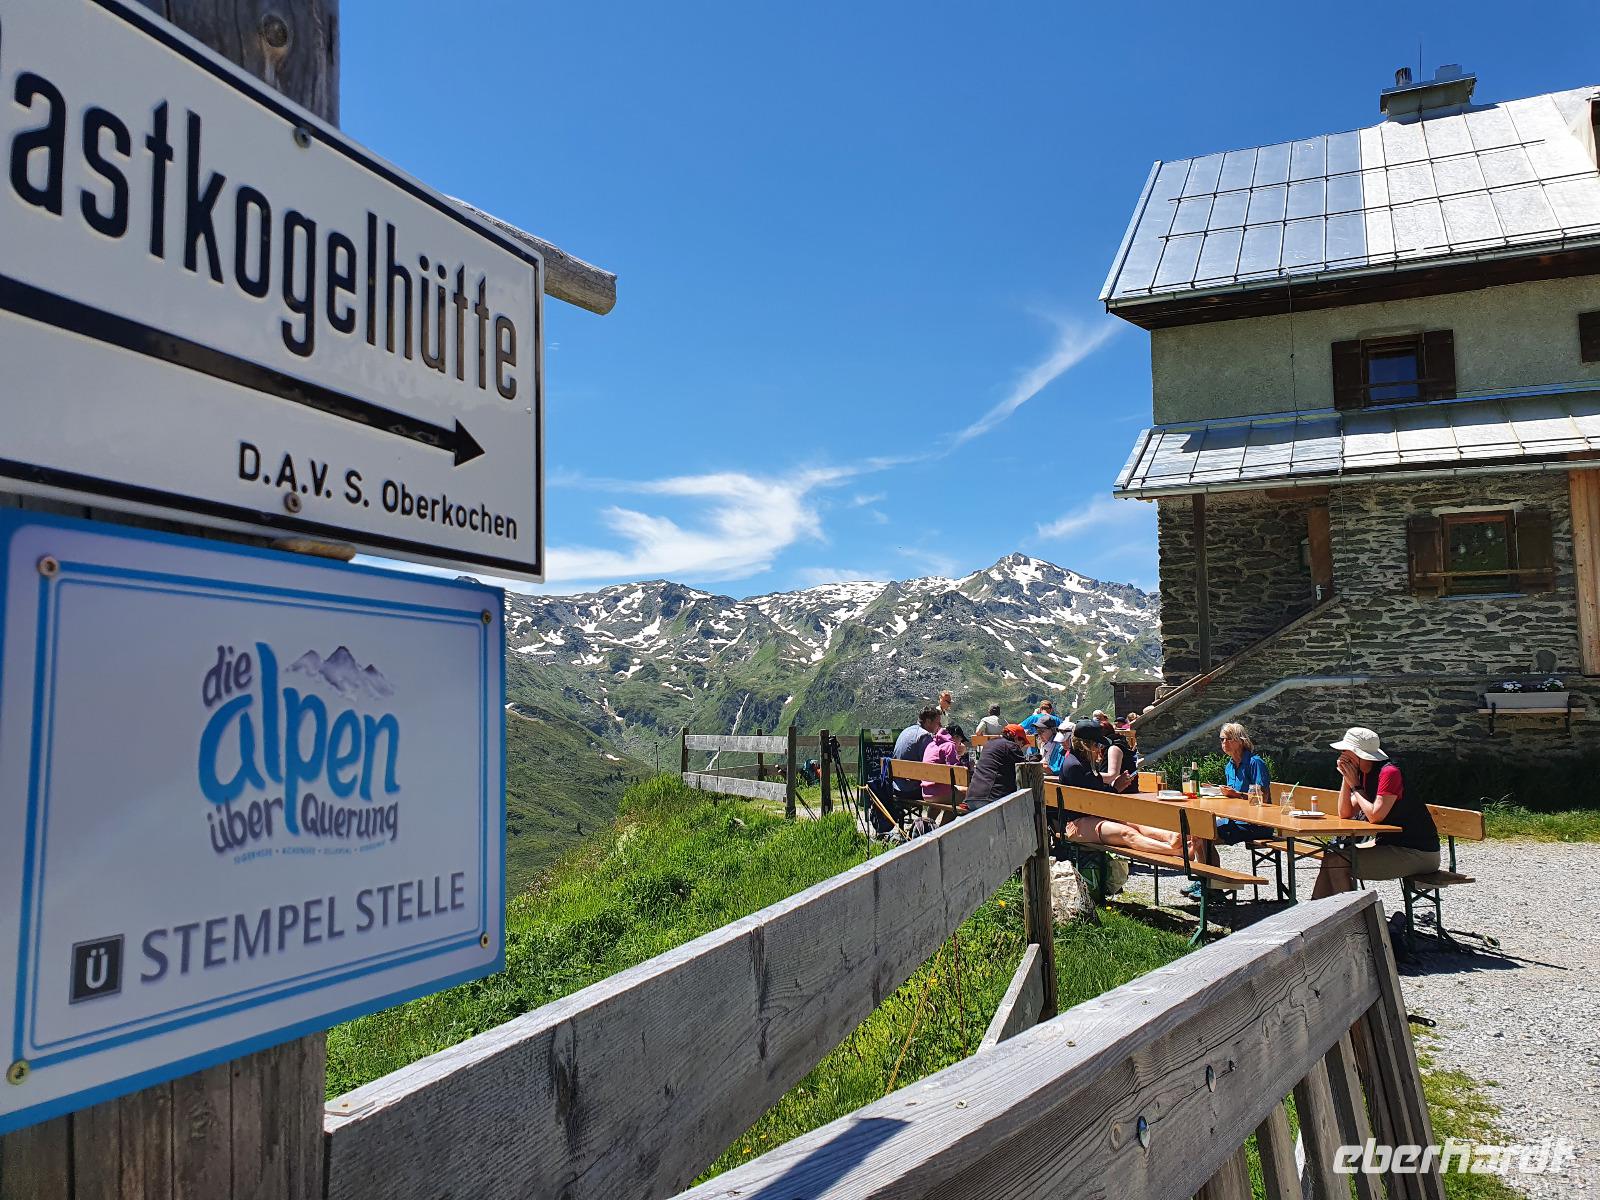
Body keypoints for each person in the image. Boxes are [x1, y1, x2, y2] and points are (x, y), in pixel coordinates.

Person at [1312, 727, 1439, 898]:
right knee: (1331, 857)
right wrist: (1346, 778)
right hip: (1389, 845)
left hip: (1417, 852)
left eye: (1346, 751)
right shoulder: (1364, 774)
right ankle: (1316, 916)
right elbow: (1345, 813)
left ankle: (1354, 920)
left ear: (1359, 754)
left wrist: (1355, 785)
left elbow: (1375, 816)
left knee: (1338, 862)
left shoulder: (1389, 773)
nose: (1342, 755)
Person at [1056, 721, 1179, 854]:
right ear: (1086, 745)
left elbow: (1094, 797)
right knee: (1127, 833)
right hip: (1076, 825)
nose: (1099, 749)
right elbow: (1095, 802)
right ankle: (1178, 852)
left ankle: (1171, 837)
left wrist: (1115, 787)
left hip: (1090, 816)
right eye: (1097, 744)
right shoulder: (1076, 767)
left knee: (1136, 823)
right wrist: (1116, 788)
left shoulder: (1080, 762)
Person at [1185, 722, 1274, 900]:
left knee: (1204, 835)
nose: (1223, 743)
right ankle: (1207, 880)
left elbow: (1261, 797)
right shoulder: (1229, 765)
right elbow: (1232, 797)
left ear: (1239, 741)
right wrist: (1220, 791)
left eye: (1227, 739)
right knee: (1198, 832)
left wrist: (1236, 794)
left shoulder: (1255, 763)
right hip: (1234, 819)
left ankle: (1212, 885)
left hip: (1255, 823)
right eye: (1221, 739)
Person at [963, 723, 1032, 809]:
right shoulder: (1011, 746)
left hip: (971, 797)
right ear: (1016, 738)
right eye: (1022, 743)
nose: (1021, 746)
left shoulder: (989, 743)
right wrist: (1034, 759)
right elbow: (1025, 768)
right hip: (991, 799)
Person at [921, 724, 968, 813]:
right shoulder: (950, 746)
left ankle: (930, 824)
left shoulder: (931, 744)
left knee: (947, 798)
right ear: (955, 737)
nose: (960, 744)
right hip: (939, 793)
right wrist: (961, 758)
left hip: (926, 792)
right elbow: (957, 773)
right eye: (960, 740)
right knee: (965, 799)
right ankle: (944, 826)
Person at [1095, 709, 1138, 779]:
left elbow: (1112, 775)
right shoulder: (1118, 742)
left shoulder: (1113, 748)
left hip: (1122, 787)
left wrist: (1089, 777)